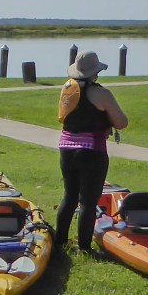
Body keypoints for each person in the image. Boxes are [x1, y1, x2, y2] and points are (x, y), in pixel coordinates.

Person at [55, 50, 128, 253]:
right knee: (88, 200)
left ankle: (60, 241)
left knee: (69, 196)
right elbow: (121, 122)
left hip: (66, 148)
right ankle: (84, 247)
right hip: (92, 151)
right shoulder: (101, 94)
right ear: (95, 72)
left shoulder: (67, 89)